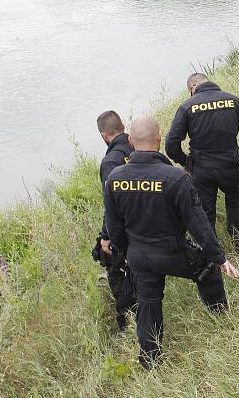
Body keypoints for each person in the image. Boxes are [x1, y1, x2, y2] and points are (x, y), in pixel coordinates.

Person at [104, 117, 239, 369]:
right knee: (207, 272)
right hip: (173, 252)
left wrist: (126, 255)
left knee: (148, 304)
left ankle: (150, 362)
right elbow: (198, 225)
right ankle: (223, 319)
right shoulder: (175, 178)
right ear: (159, 139)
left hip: (139, 255)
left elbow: (114, 227)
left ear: (132, 142)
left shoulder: (114, 178)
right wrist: (219, 259)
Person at [164, 73, 239, 249]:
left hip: (202, 169)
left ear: (193, 87)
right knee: (235, 203)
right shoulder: (232, 101)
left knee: (204, 211)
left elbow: (171, 144)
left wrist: (186, 162)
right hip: (231, 165)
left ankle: (211, 254)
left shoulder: (187, 107)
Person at [95, 110, 136, 331]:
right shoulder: (137, 145)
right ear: (123, 126)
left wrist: (106, 237)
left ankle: (126, 322)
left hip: (124, 226)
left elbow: (111, 206)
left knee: (115, 269)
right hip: (147, 219)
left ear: (104, 135)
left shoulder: (110, 162)